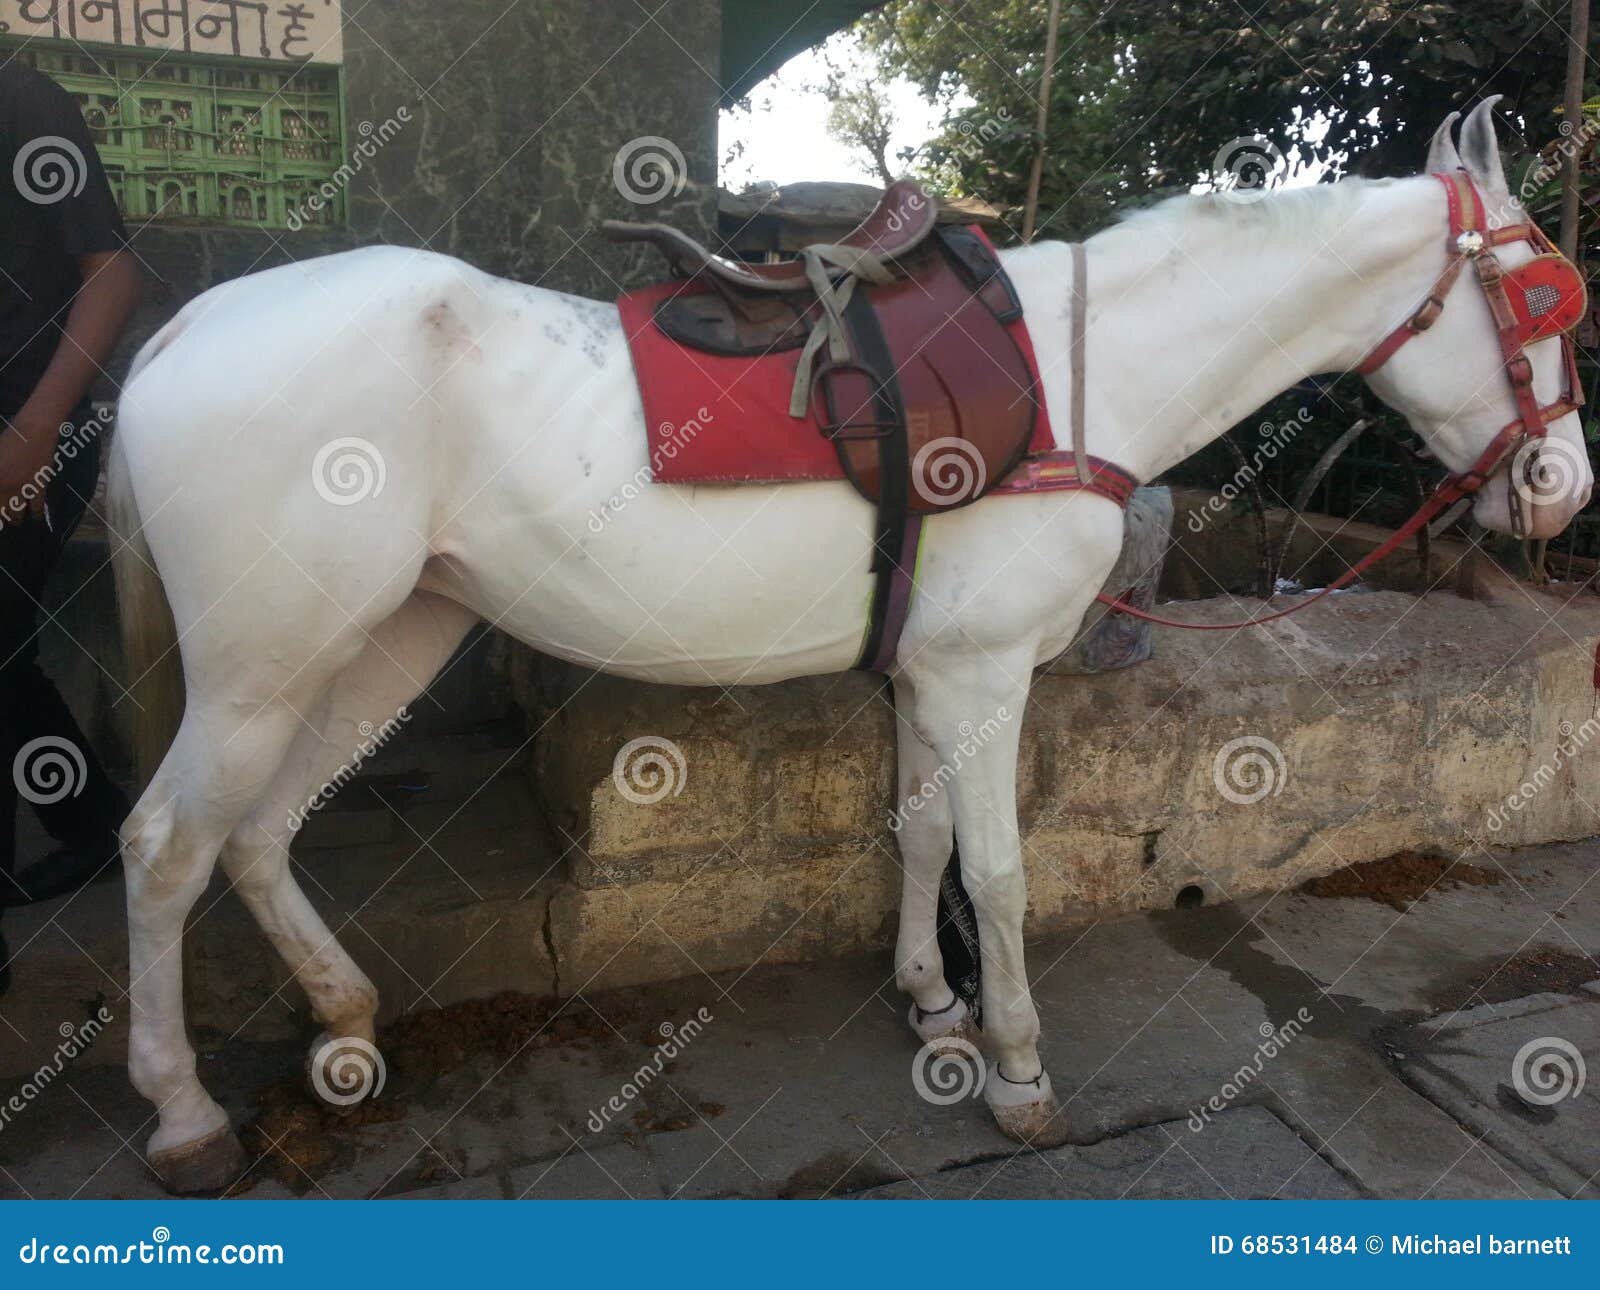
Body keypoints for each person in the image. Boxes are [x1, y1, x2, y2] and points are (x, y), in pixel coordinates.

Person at [1, 60, 144, 996]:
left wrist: (36, 430)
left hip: (27, 430)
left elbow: (114, 273)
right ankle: (95, 827)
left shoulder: (22, 100)